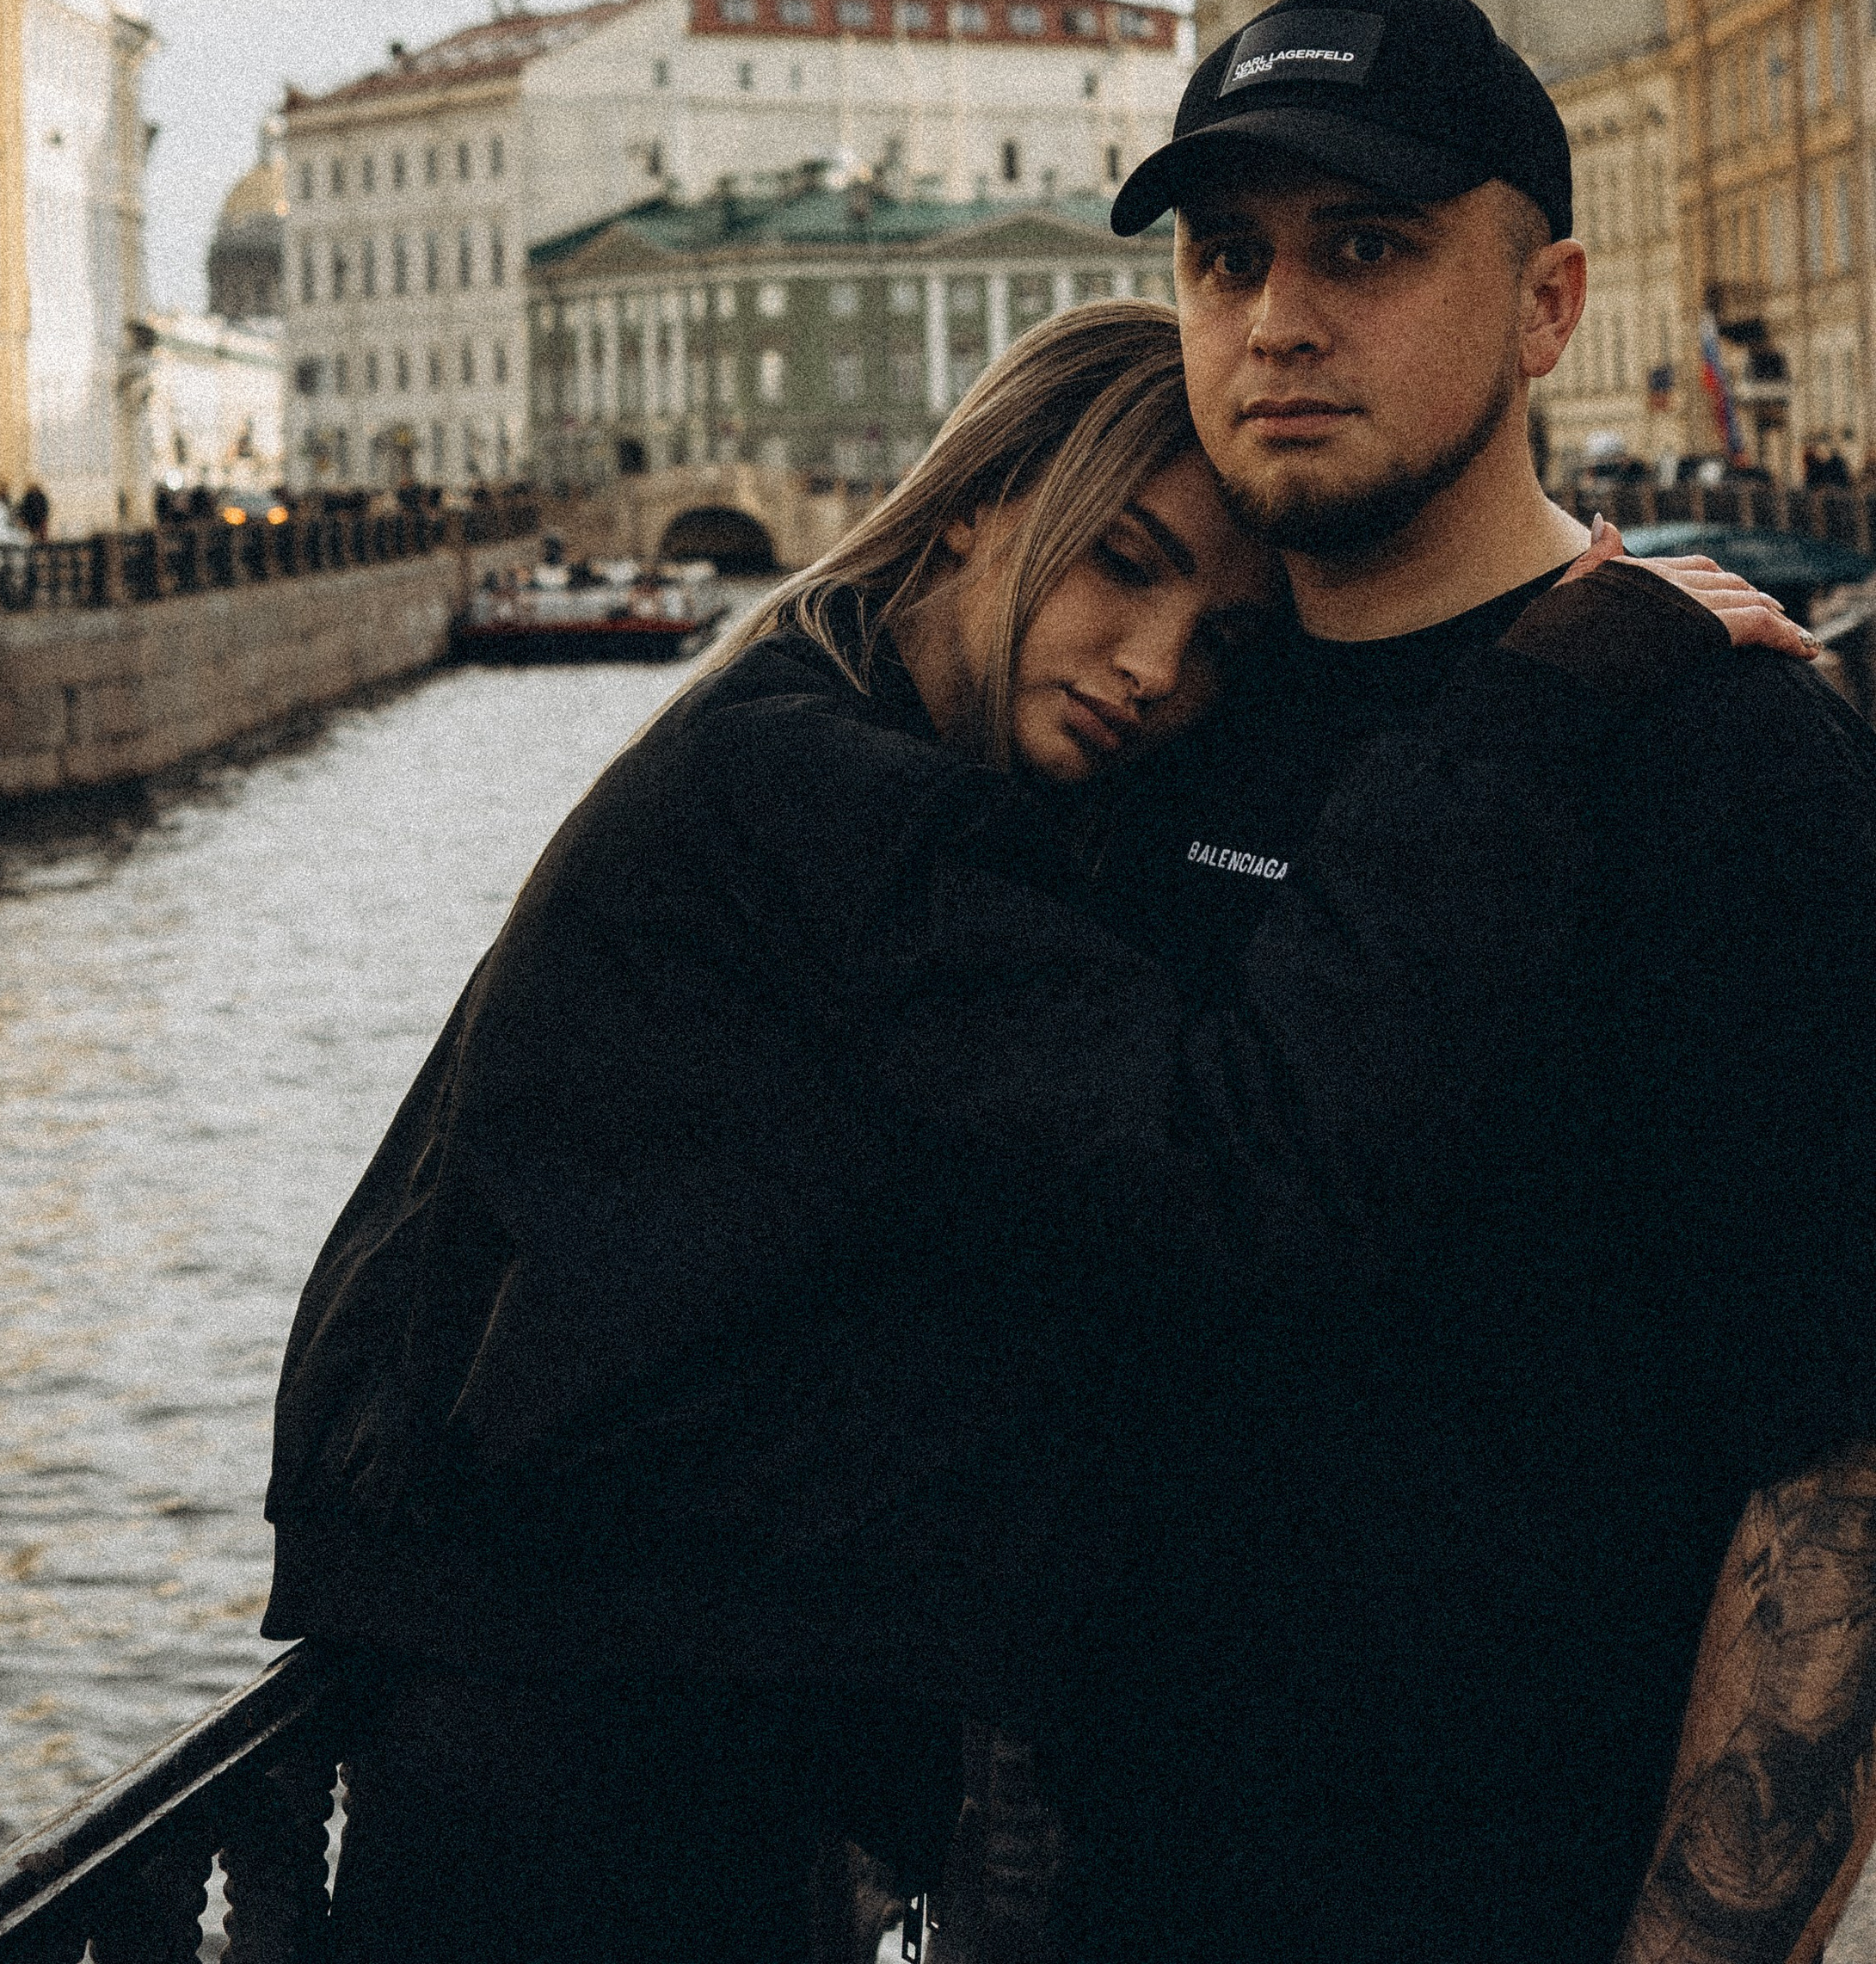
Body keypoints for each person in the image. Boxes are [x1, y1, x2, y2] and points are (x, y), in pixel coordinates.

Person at [260, 289, 1784, 1964]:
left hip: (580, 1676)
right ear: (986, 500)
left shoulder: (808, 726)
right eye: (1123, 565)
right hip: (580, 1738)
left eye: (1222, 642)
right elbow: (1226, 1161)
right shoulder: (840, 805)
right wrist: (1541, 691)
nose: (1152, 669)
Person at [1059, 0, 1876, 1964]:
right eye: (1222, 255)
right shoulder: (1153, 720)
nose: (1275, 321)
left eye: (1366, 247)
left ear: (1545, 305)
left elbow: (1831, 1480)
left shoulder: (1726, 755)